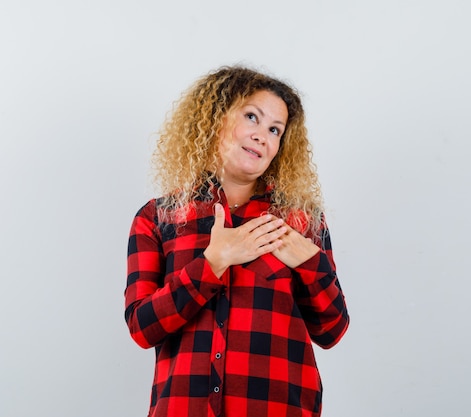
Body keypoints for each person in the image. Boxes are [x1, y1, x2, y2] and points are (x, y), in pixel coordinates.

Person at [124, 65, 349, 417]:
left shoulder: (301, 222)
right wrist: (212, 263)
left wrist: (309, 262)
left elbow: (332, 331)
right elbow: (142, 328)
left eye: (275, 129)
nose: (263, 135)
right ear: (215, 118)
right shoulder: (158, 219)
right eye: (252, 117)